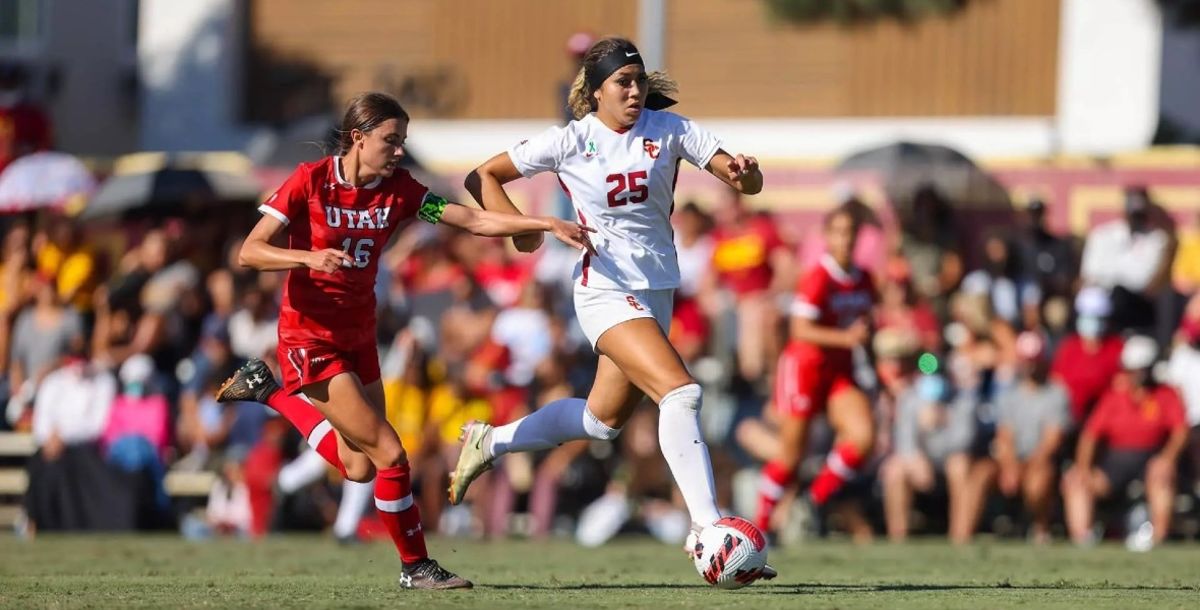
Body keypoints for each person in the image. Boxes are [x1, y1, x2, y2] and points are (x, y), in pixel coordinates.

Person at [213, 91, 594, 590]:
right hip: (310, 338)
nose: (398, 151)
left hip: (359, 335)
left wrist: (542, 221)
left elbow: (472, 219)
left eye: (403, 142)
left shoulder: (401, 191)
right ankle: (416, 567)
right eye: (391, 141)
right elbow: (250, 251)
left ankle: (269, 392)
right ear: (358, 137)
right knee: (392, 455)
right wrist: (308, 258)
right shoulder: (310, 180)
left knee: (358, 467)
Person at [448, 37, 773, 581]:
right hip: (603, 289)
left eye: (639, 80)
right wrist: (524, 231)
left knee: (602, 423)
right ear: (595, 92)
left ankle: (492, 440)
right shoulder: (570, 140)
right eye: (622, 81)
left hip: (656, 290)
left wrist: (746, 173)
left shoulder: (671, 130)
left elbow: (747, 182)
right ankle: (708, 529)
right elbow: (482, 176)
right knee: (682, 392)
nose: (634, 89)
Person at [753, 206, 877, 535]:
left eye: (851, 231)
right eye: (838, 231)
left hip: (839, 371)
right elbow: (800, 330)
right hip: (804, 368)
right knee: (791, 456)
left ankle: (813, 501)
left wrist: (876, 367)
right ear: (827, 237)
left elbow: (866, 329)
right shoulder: (818, 277)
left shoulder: (864, 278)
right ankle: (762, 528)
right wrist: (846, 338)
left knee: (864, 437)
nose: (845, 239)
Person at [1061, 336, 1189, 549]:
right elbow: (1090, 435)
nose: (1136, 375)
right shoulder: (1113, 397)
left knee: (1161, 475)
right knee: (1076, 480)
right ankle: (1083, 539)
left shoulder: (1165, 395)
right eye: (1131, 369)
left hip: (1151, 457)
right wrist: (1083, 467)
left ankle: (1157, 538)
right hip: (1116, 462)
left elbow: (1180, 432)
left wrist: (1167, 459)